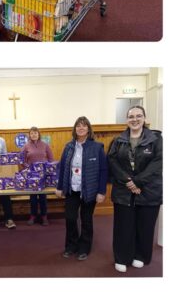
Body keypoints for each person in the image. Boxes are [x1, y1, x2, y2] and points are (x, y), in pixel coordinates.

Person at [107, 105, 162, 273]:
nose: (135, 119)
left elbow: (158, 163)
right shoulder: (118, 140)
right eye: (131, 116)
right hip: (124, 192)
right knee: (123, 226)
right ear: (126, 120)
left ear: (144, 118)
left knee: (145, 226)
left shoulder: (156, 139)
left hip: (149, 190)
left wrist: (138, 182)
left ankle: (140, 255)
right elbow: (112, 161)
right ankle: (122, 257)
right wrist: (129, 181)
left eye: (139, 116)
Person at [56, 116, 107, 261]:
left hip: (89, 191)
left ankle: (84, 247)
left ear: (89, 129)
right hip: (72, 189)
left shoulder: (97, 147)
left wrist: (101, 191)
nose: (81, 128)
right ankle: (71, 246)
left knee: (86, 219)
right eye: (78, 125)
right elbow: (62, 168)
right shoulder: (69, 147)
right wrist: (60, 187)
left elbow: (103, 170)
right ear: (75, 129)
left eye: (84, 126)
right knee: (70, 218)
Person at [21, 126, 54, 226]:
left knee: (43, 197)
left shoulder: (45, 145)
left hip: (43, 175)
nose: (34, 134)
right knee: (33, 198)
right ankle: (33, 216)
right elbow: (22, 160)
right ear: (29, 135)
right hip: (31, 176)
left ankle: (44, 217)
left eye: (35, 133)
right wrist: (28, 168)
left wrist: (47, 169)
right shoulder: (26, 146)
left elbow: (51, 159)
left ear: (39, 134)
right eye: (32, 133)